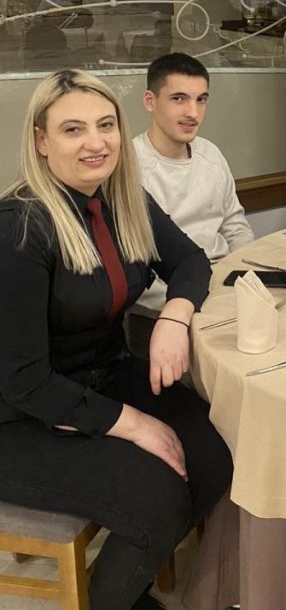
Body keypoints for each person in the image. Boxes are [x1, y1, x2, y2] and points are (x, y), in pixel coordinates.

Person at [0, 69, 233, 610]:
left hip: (102, 376)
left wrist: (175, 317)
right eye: (73, 129)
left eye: (106, 125)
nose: (96, 142)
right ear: (41, 141)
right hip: (21, 414)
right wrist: (136, 425)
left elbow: (190, 260)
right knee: (157, 500)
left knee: (215, 452)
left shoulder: (121, 200)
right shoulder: (19, 228)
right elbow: (23, 381)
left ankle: (127, 585)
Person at [133, 52, 253, 314]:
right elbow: (135, 267)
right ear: (150, 101)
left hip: (223, 285)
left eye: (201, 100)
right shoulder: (129, 169)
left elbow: (235, 226)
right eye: (178, 99)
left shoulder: (210, 154)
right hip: (168, 304)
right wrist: (192, 303)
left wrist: (243, 280)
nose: (193, 113)